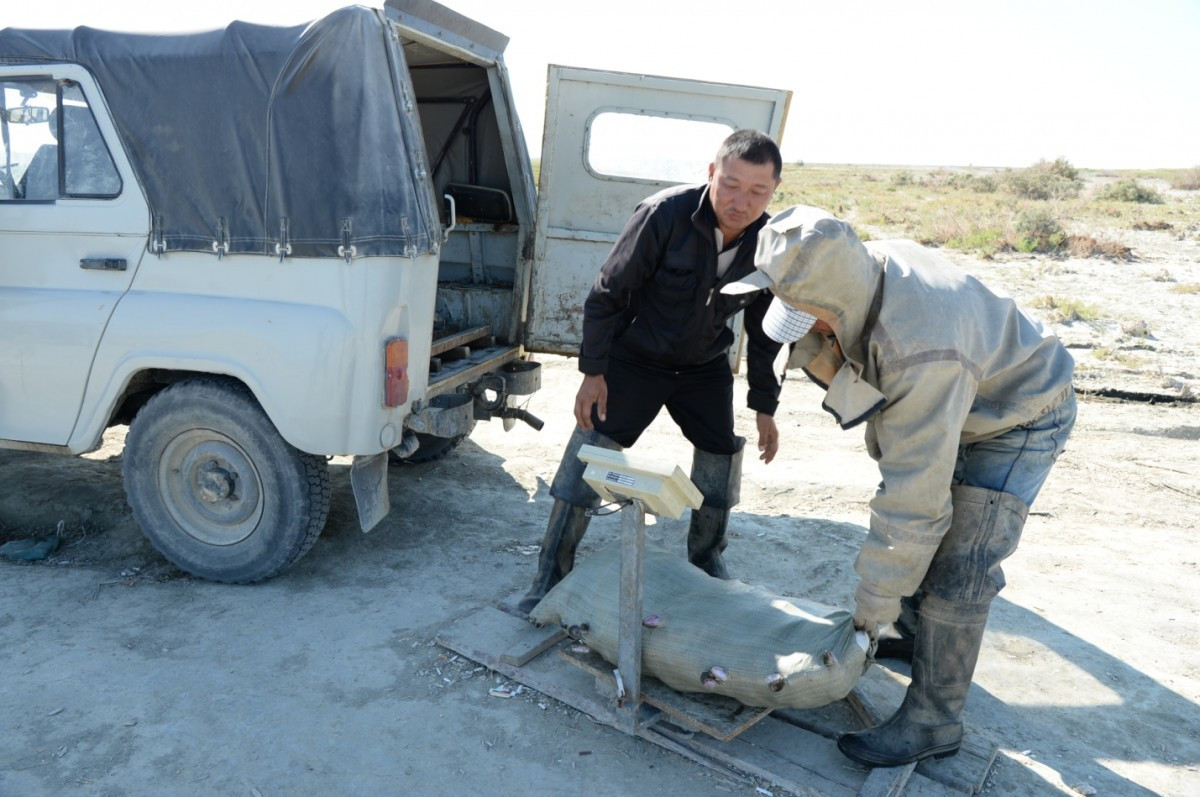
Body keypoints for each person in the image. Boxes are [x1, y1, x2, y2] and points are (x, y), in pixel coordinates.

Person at [723, 204, 1077, 768]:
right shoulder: (855, 267)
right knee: (932, 538)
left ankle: (934, 721)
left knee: (961, 564)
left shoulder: (921, 348)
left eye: (809, 317)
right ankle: (913, 633)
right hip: (966, 394)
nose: (804, 327)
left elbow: (915, 497)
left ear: (836, 298)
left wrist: (871, 608)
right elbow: (893, 424)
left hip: (1021, 415)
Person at [517, 129, 792, 616]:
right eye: (731, 184)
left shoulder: (768, 243)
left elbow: (766, 330)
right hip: (636, 359)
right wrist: (593, 371)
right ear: (711, 173)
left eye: (758, 191)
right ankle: (550, 574)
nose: (741, 201)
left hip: (704, 365)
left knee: (721, 455)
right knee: (591, 451)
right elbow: (608, 294)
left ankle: (706, 562)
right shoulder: (664, 214)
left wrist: (765, 406)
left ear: (774, 191)